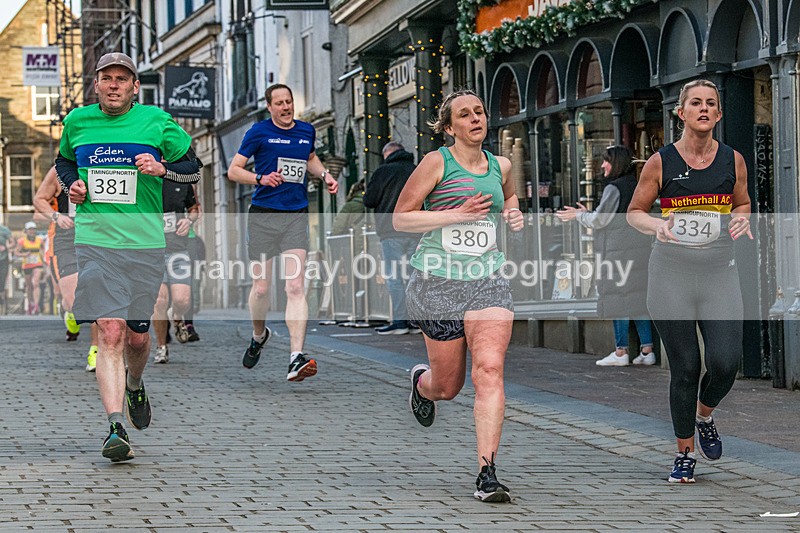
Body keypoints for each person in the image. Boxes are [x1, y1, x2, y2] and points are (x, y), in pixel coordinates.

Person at [55, 52, 201, 462]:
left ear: (134, 86)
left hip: (144, 244)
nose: (114, 84)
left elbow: (193, 167)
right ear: (96, 84)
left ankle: (135, 383)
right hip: (96, 241)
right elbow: (64, 161)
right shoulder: (78, 122)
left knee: (139, 336)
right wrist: (73, 186)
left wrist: (161, 169)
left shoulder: (156, 121)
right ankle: (115, 426)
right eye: (107, 78)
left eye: (122, 78)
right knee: (112, 333)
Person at [393, 89, 524, 502]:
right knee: (447, 386)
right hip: (437, 281)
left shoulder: (500, 164)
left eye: (480, 112)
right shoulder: (436, 162)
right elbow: (400, 218)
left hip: (488, 276)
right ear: (449, 127)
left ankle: (487, 472)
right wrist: (457, 214)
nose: (475, 119)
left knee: (488, 369)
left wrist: (513, 212)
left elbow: (509, 196)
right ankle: (422, 385)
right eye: (464, 115)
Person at [627, 79, 753, 483]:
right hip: (671, 275)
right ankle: (684, 455)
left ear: (717, 114)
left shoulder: (732, 159)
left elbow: (744, 202)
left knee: (726, 362)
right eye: (695, 103)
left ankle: (705, 414)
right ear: (680, 113)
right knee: (685, 367)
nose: (703, 109)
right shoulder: (660, 162)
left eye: (710, 104)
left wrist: (742, 217)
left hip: (719, 273)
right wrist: (655, 227)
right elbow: (634, 212)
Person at [227, 83, 338, 381]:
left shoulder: (306, 130)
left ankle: (295, 357)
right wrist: (260, 178)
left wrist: (325, 175)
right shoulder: (258, 132)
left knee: (295, 287)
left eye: (289, 102)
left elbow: (309, 157)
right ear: (270, 107)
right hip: (263, 217)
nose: (286, 107)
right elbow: (233, 170)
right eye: (279, 103)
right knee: (261, 288)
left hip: (295, 216)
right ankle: (258, 334)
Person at [556, 146, 655, 366]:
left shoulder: (614, 188)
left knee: (616, 298)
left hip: (617, 252)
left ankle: (621, 352)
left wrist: (580, 215)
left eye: (606, 161)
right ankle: (647, 351)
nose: (602, 165)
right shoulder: (637, 186)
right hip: (638, 250)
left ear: (616, 163)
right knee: (637, 298)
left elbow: (600, 220)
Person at [33, 168, 102, 368]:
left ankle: (96, 350)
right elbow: (39, 199)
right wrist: (57, 217)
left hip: (100, 236)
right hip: (68, 238)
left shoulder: (106, 163)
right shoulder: (60, 170)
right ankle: (70, 313)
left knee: (98, 295)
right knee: (72, 302)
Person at [363, 141, 423, 335]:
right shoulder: (416, 170)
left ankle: (400, 321)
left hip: (391, 230)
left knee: (394, 277)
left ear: (387, 154)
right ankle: (416, 322)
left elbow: (369, 200)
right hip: (415, 229)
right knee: (414, 277)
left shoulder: (383, 172)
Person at [151, 180, 200, 364]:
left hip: (178, 251)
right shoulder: (143, 181)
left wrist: (188, 221)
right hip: (152, 252)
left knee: (182, 300)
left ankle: (177, 316)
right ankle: (161, 347)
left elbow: (194, 209)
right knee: (159, 301)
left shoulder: (181, 181)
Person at [15, 221, 44, 315]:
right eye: (30, 230)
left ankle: (36, 305)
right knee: (29, 286)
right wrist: (24, 254)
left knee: (35, 283)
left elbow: (43, 252)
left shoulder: (40, 240)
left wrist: (46, 263)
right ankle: (31, 304)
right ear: (26, 231)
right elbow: (16, 252)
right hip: (27, 265)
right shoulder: (21, 241)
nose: (32, 231)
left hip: (37, 264)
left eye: (33, 229)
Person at [0, 222, 13, 313]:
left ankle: (3, 305)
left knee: (2, 282)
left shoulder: (4, 230)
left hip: (3, 259)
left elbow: (12, 243)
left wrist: (5, 247)